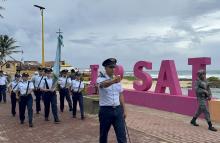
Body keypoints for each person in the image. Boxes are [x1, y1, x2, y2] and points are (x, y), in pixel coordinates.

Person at [96, 58, 127, 143]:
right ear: (105, 68)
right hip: (105, 111)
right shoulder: (100, 78)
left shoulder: (117, 80)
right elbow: (103, 85)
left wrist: (124, 110)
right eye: (111, 67)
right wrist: (114, 81)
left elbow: (120, 94)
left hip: (118, 110)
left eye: (114, 67)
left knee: (122, 135)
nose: (113, 69)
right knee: (103, 135)